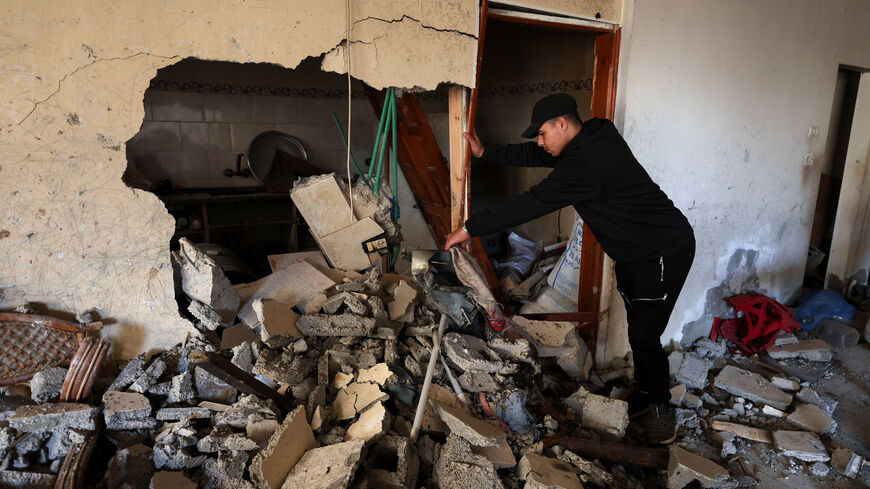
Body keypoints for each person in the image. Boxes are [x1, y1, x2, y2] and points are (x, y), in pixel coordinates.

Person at [443, 93, 695, 445]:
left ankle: (660, 408)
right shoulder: (595, 133)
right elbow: (538, 153)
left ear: (563, 123)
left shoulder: (588, 165)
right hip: (633, 254)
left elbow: (529, 203)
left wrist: (470, 228)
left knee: (643, 332)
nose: (541, 142)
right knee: (640, 320)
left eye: (544, 133)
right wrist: (488, 153)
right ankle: (647, 388)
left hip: (664, 250)